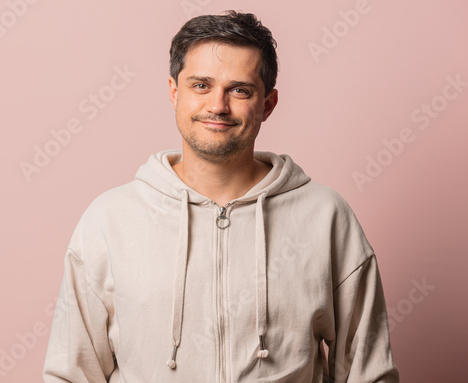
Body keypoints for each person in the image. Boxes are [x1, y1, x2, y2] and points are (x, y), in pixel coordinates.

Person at [43, 10, 399, 383]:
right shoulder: (109, 220)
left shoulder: (326, 216)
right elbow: (71, 373)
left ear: (267, 104)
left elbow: (369, 371)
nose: (217, 106)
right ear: (174, 92)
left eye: (239, 90)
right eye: (201, 85)